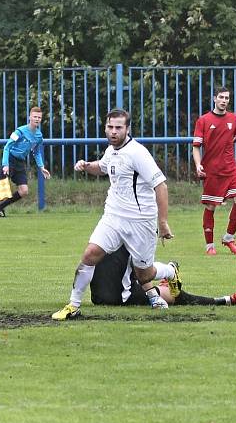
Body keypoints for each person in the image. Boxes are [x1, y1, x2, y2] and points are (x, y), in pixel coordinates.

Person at [52, 108, 177, 321]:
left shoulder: (138, 153)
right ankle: (73, 305)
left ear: (127, 129)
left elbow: (161, 186)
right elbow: (102, 167)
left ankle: (171, 271)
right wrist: (86, 166)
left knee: (143, 274)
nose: (113, 131)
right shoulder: (111, 150)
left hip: (140, 221)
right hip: (113, 216)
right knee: (90, 254)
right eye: (110, 127)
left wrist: (163, 222)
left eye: (118, 127)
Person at [90, 246, 236, 306]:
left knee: (165, 291)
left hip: (97, 297)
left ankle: (166, 281)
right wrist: (154, 296)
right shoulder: (137, 229)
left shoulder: (107, 228)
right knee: (176, 296)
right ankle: (227, 300)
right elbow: (142, 274)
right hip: (120, 296)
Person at [192, 87, 236, 255]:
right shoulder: (203, 120)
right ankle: (209, 245)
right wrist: (198, 165)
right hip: (212, 170)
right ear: (214, 99)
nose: (224, 100)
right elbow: (196, 147)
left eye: (227, 98)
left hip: (231, 169)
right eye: (221, 97)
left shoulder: (234, 119)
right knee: (211, 206)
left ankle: (229, 238)